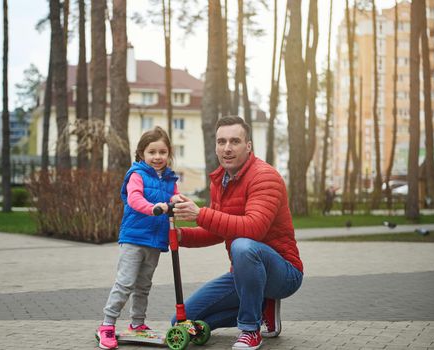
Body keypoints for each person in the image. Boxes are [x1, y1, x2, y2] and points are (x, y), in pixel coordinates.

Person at [172, 116, 303, 350]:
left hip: (284, 272)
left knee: (242, 245)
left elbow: (254, 228)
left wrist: (199, 214)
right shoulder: (220, 181)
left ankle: (251, 330)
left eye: (235, 141)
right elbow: (217, 230)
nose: (227, 148)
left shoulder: (265, 176)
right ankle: (262, 308)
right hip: (244, 273)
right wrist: (181, 236)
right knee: (182, 321)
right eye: (221, 142)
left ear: (248, 146)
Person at [97, 126, 180, 350]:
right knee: (125, 283)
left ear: (168, 153)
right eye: (152, 152)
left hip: (155, 240)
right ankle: (107, 325)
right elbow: (133, 199)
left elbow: (174, 199)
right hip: (134, 238)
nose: (157, 157)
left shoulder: (171, 179)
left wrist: (179, 201)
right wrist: (153, 208)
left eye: (162, 152)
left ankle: (137, 324)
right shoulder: (137, 174)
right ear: (142, 153)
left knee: (143, 285)